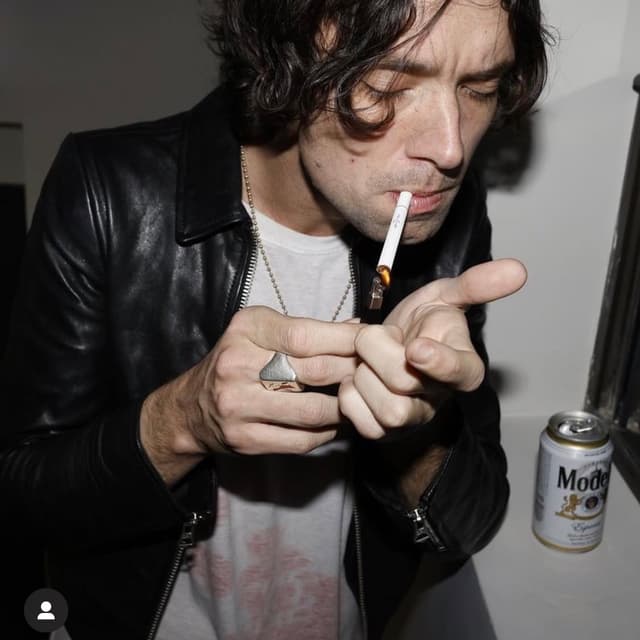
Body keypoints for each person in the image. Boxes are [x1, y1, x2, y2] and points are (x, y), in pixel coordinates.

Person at [0, 1, 551, 638]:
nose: (450, 148)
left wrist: (419, 427)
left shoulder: (443, 216)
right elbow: (23, 499)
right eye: (385, 88)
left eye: (478, 89)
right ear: (280, 57)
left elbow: (471, 525)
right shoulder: (107, 192)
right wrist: (183, 421)